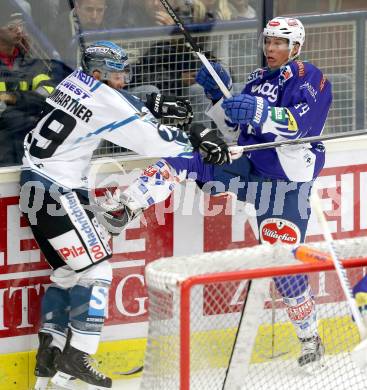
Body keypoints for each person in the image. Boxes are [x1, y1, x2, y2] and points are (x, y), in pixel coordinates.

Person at [106, 16, 333, 371]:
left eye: (279, 43)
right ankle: (126, 205)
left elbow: (300, 125)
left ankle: (309, 338)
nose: (271, 48)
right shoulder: (258, 81)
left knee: (285, 269)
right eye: (268, 41)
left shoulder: (310, 77)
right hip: (248, 168)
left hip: (286, 183)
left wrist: (257, 110)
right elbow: (236, 127)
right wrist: (220, 97)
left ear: (296, 47)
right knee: (187, 158)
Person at [19, 40, 226, 389]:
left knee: (68, 273)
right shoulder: (108, 101)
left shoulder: (75, 82)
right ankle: (79, 352)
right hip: (56, 190)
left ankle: (48, 361)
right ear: (98, 73)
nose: (124, 78)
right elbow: (156, 140)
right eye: (117, 73)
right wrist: (201, 136)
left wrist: (152, 102)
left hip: (36, 185)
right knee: (98, 269)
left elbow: (114, 103)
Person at [0, 3, 55, 167]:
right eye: (11, 26)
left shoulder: (32, 62)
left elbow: (48, 95)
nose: (18, 30)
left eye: (20, 25)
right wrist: (27, 104)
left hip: (28, 143)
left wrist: (13, 98)